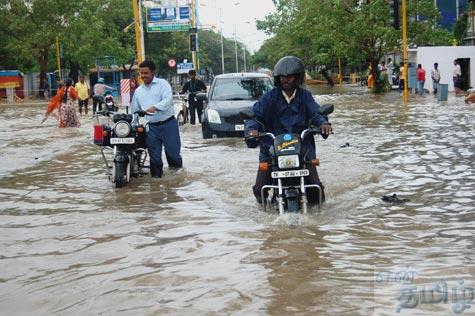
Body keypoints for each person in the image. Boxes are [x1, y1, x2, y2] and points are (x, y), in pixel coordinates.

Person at [244, 56, 332, 204]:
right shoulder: (269, 98)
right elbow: (255, 116)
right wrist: (251, 130)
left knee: (317, 193)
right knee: (260, 189)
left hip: (302, 149)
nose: (286, 80)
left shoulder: (305, 96)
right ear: (278, 78)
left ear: (298, 77)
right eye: (283, 77)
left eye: (290, 76)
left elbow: (316, 112)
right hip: (272, 148)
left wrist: (323, 123)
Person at [131, 60, 182, 178]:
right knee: (155, 160)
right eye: (141, 73)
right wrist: (132, 124)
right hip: (151, 128)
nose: (143, 76)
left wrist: (155, 107)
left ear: (153, 72)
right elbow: (134, 111)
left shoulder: (162, 84)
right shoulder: (138, 92)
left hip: (169, 125)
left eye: (146, 73)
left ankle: (177, 182)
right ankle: (156, 185)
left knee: (173, 155)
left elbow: (168, 100)